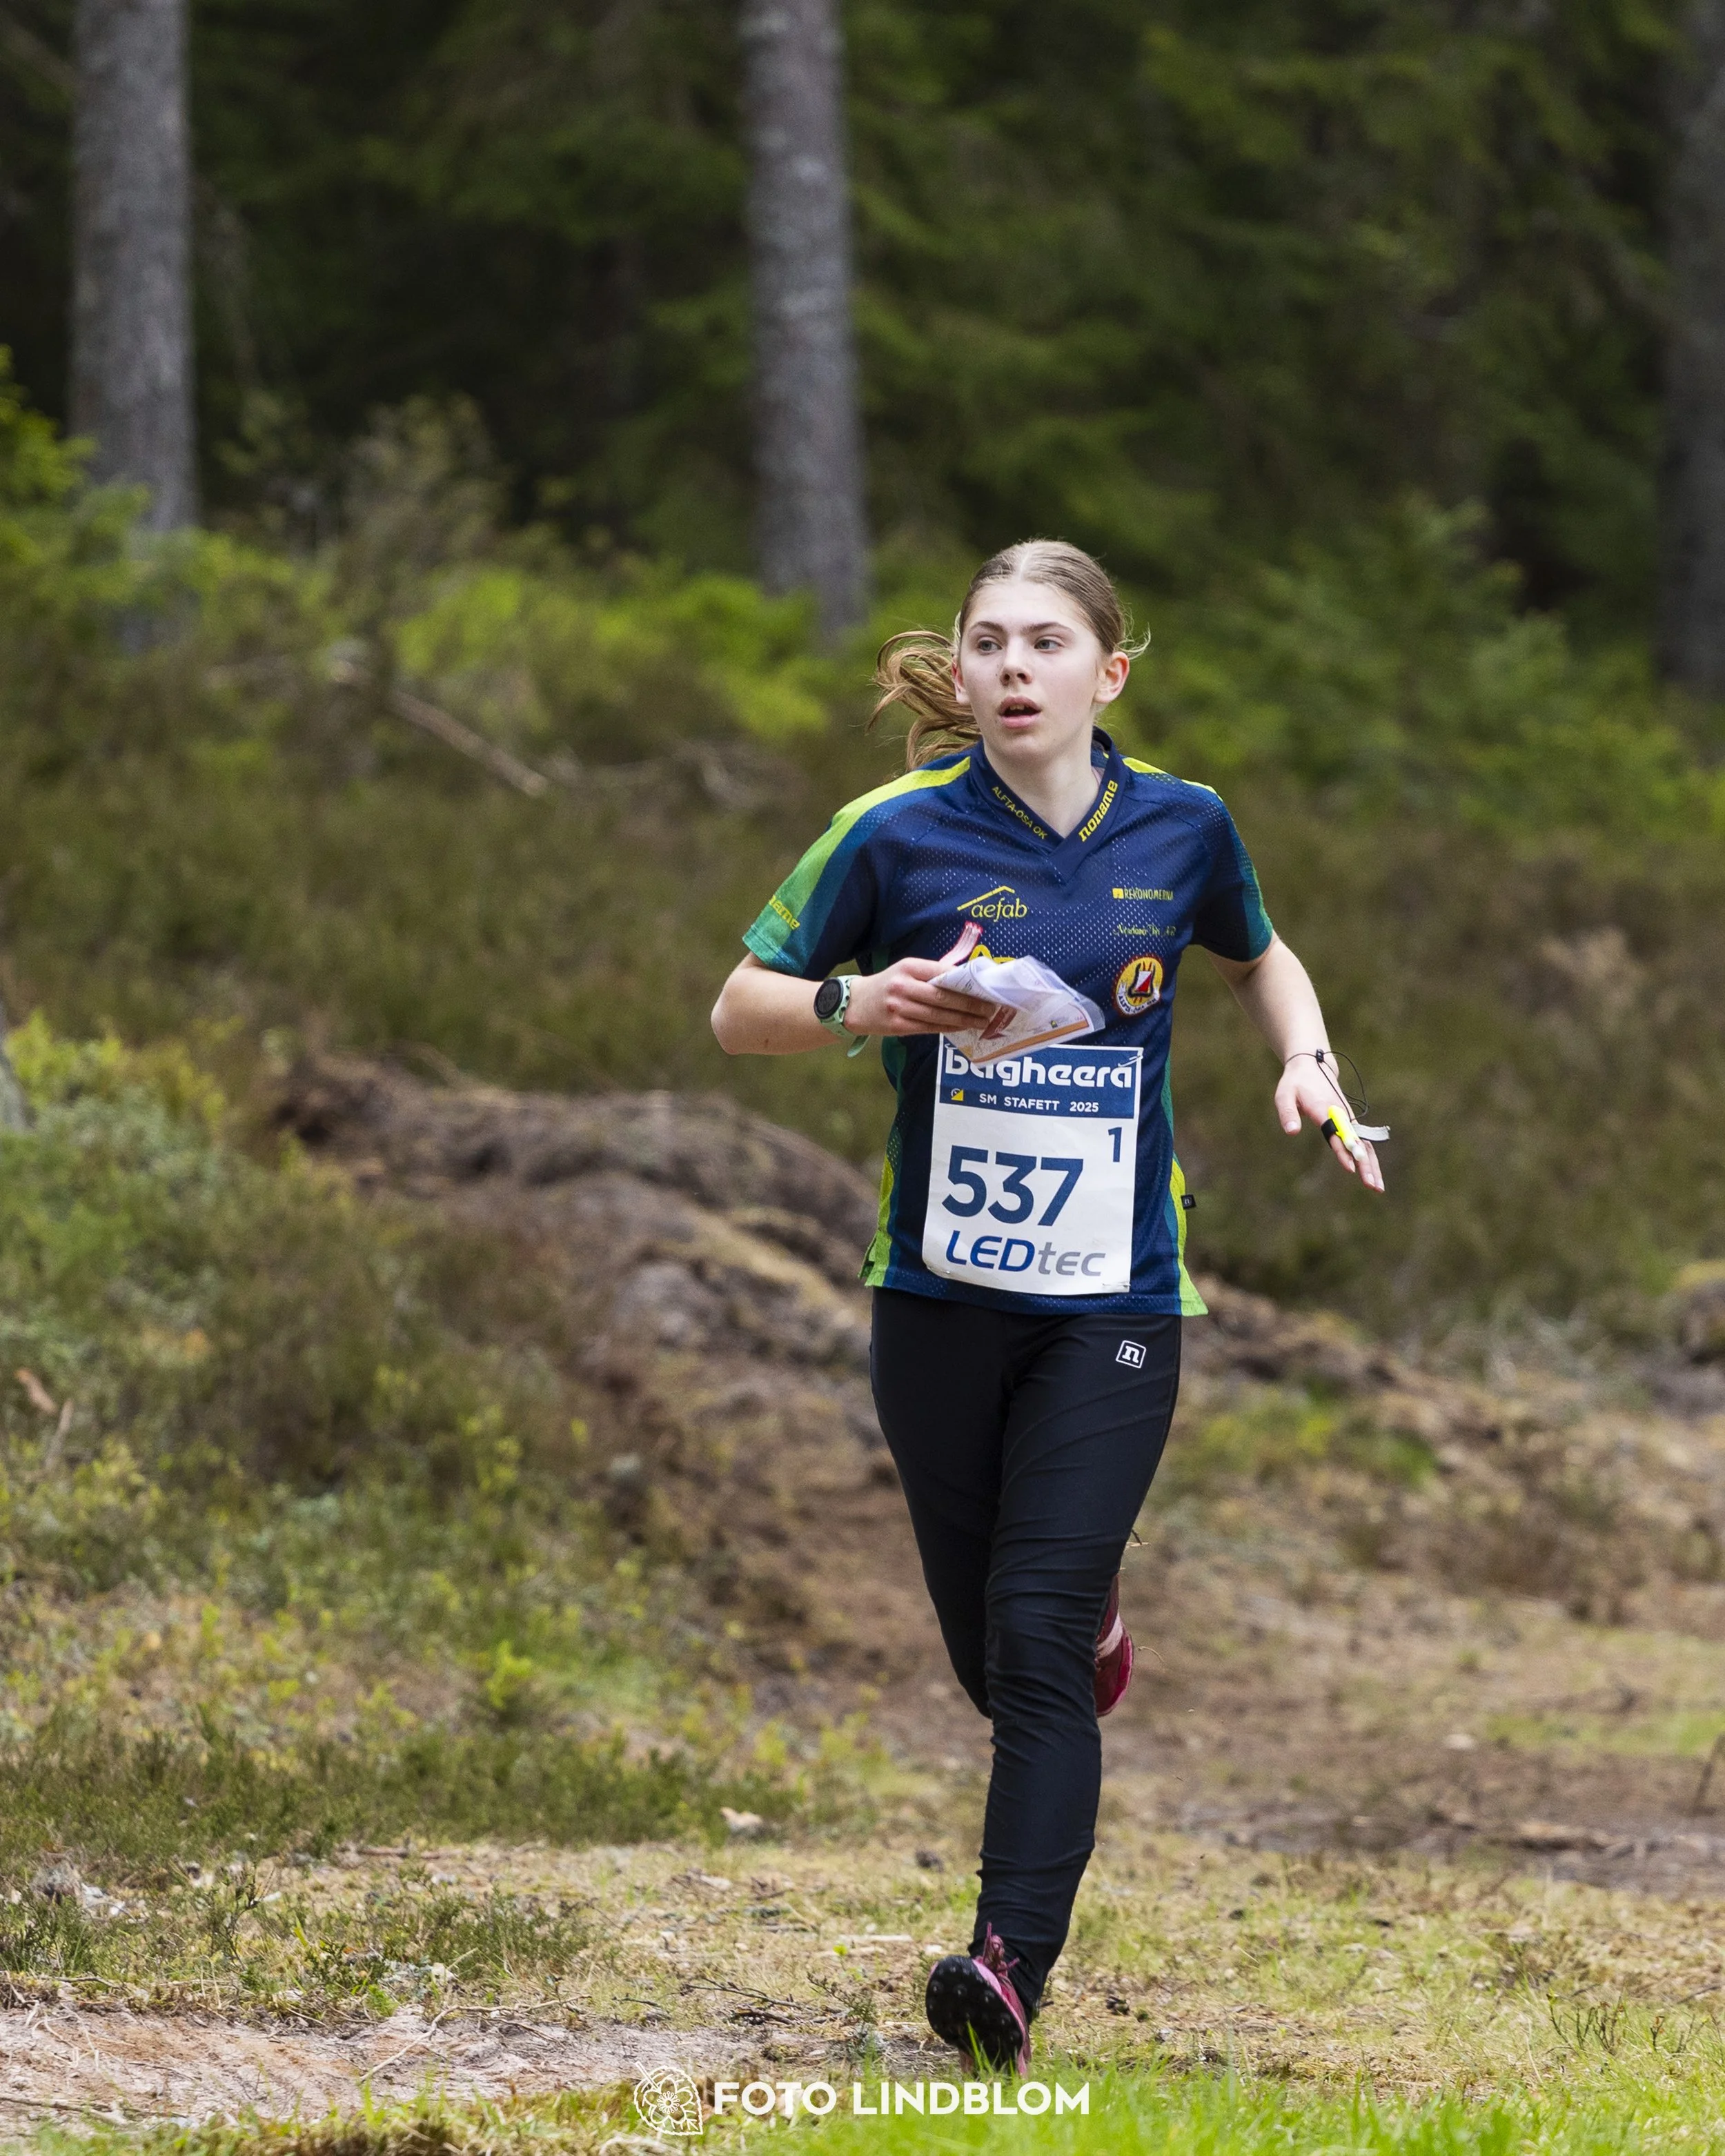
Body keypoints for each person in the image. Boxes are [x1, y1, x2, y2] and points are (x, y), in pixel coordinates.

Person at [710, 540, 1383, 2073]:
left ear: (1106, 672)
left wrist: (1308, 1061)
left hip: (1115, 1300)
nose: (1010, 668)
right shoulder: (887, 836)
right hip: (934, 1298)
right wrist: (855, 1003)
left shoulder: (1182, 827)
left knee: (1027, 1640)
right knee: (993, 1655)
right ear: (956, 673)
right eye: (985, 643)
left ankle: (1005, 1965)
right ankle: (1085, 1628)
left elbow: (1257, 958)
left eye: (1043, 642)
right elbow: (735, 1008)